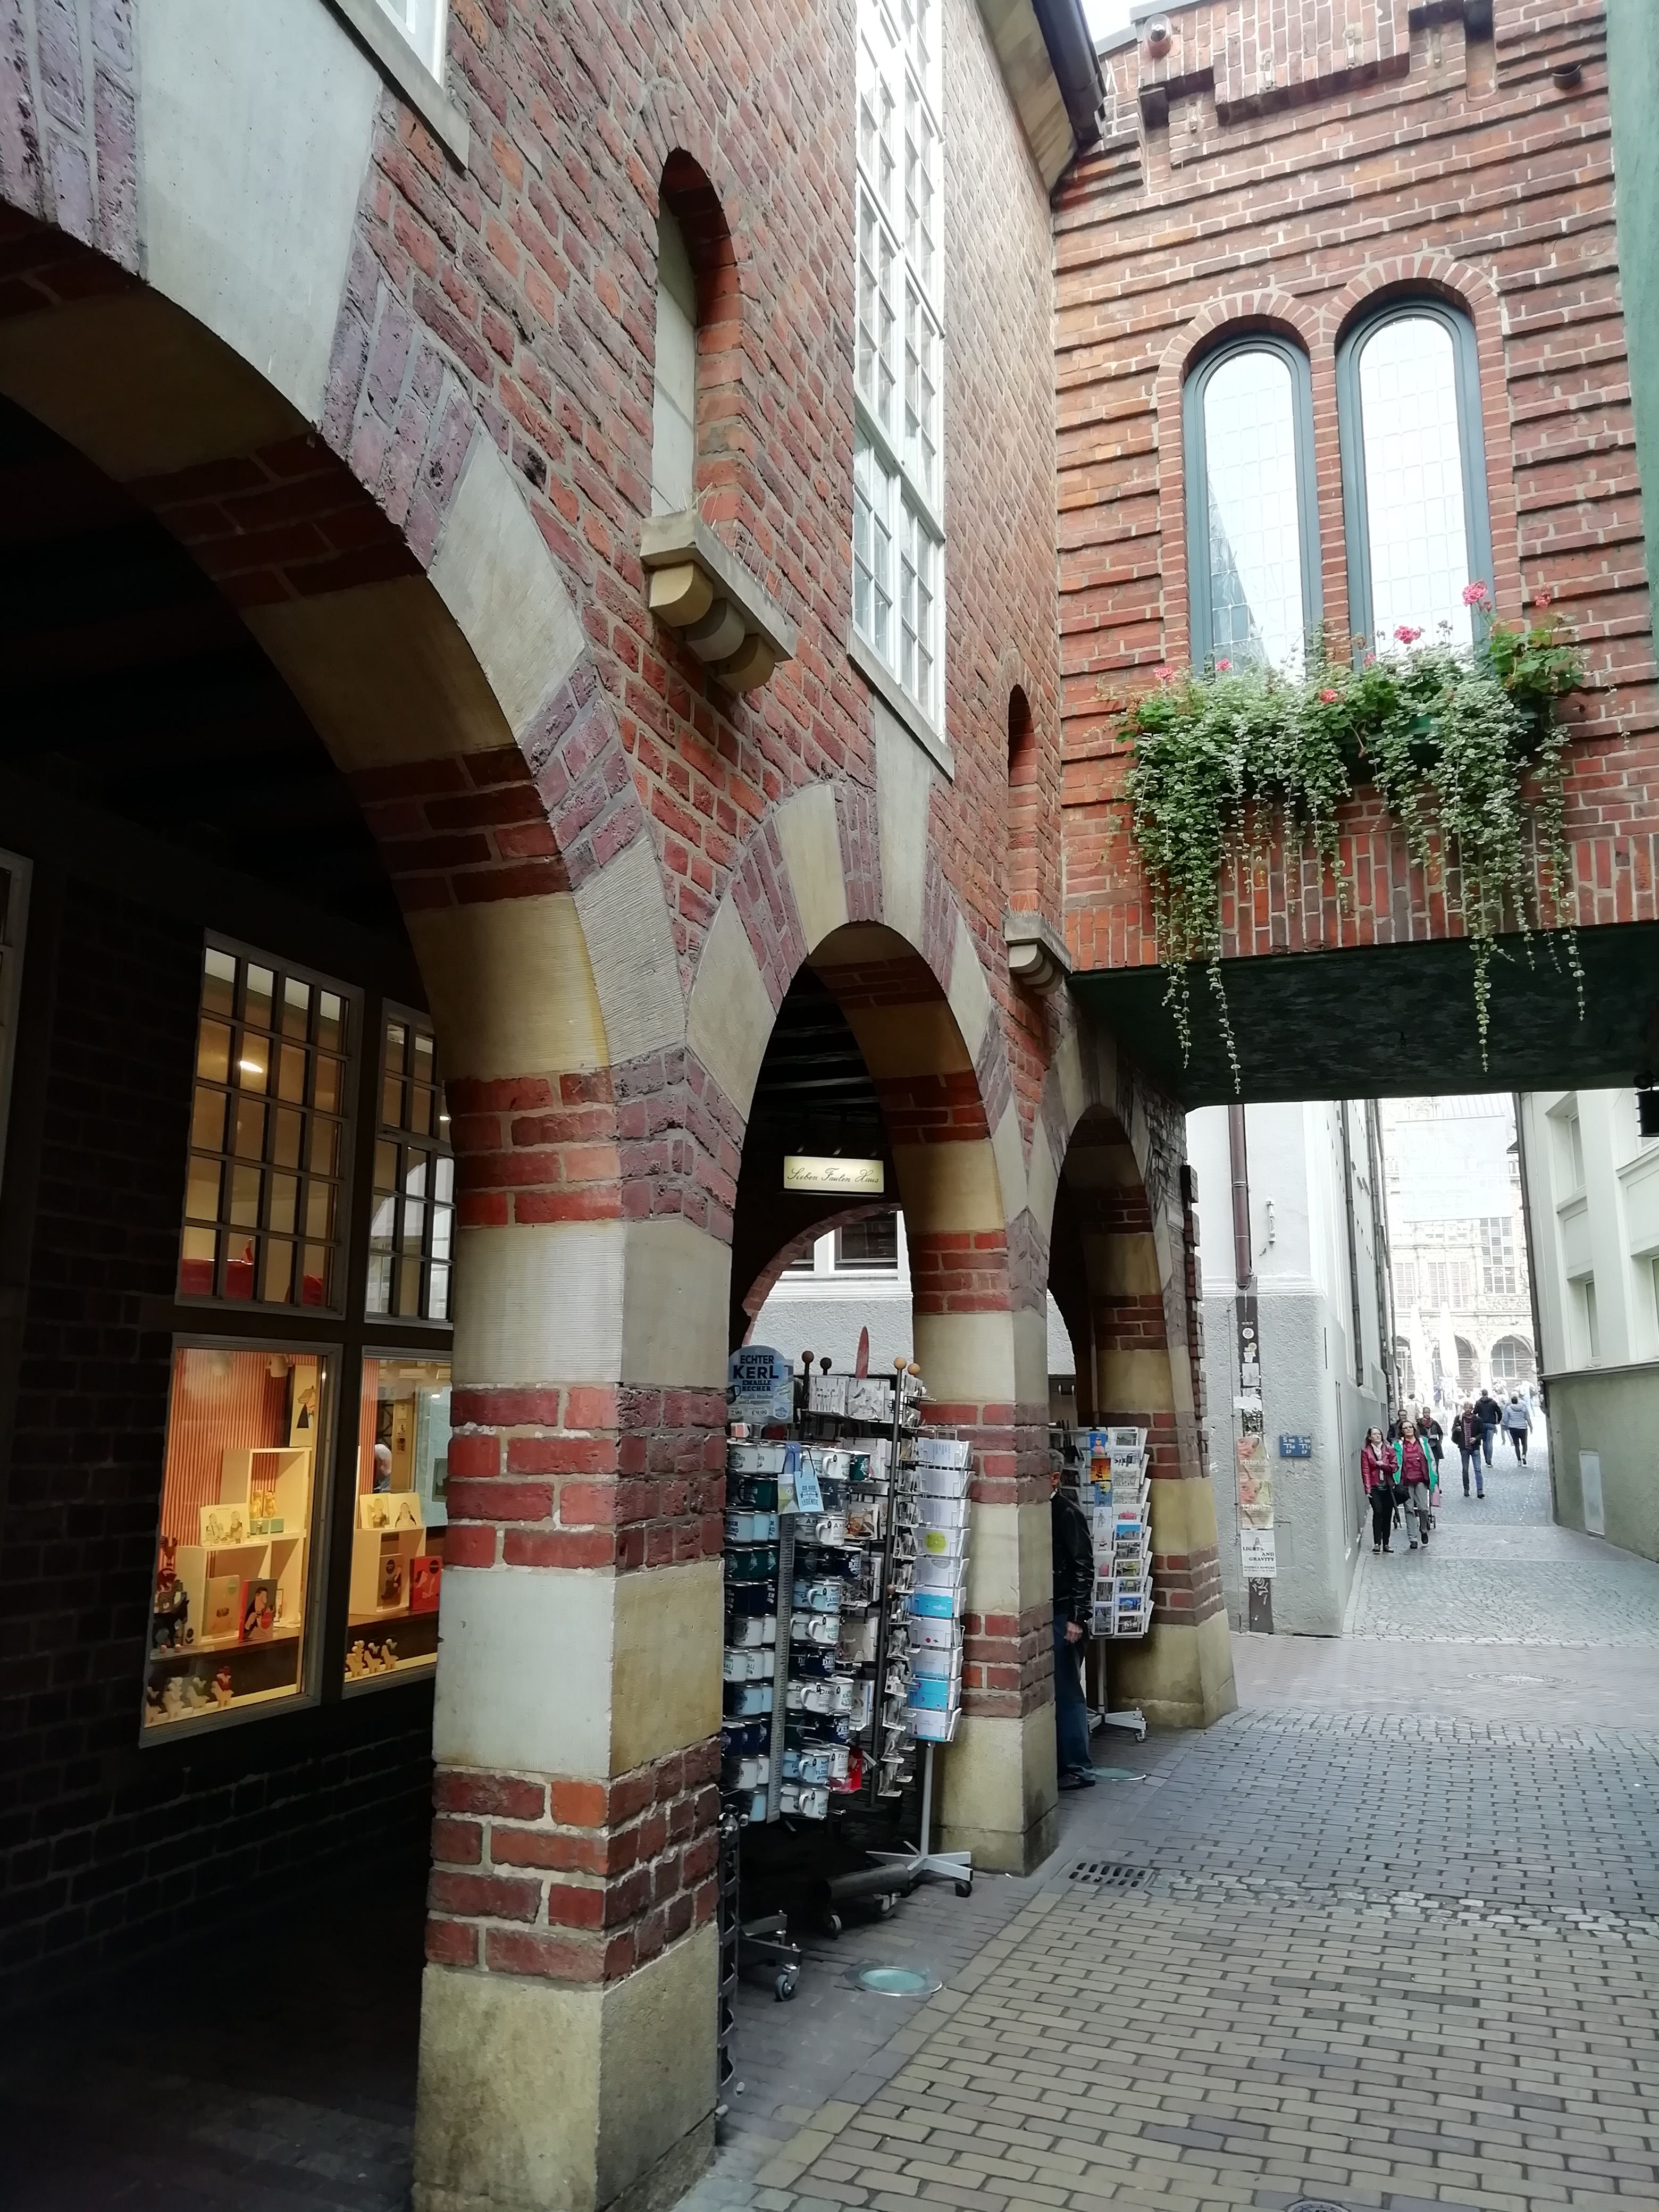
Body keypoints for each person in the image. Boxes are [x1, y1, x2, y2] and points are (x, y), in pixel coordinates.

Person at [1050, 1464, 1095, 1790]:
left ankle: (1079, 1768)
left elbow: (1083, 1564)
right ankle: (1064, 1763)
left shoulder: (1066, 1512)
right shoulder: (1044, 1510)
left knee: (1067, 1692)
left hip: (1064, 1612)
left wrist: (1077, 1617)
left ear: (1054, 1478)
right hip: (1053, 1609)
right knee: (1058, 1690)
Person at [1395, 1419, 1434, 1549]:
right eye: (1405, 1428)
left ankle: (1423, 1529)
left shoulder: (1422, 1443)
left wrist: (1433, 1477)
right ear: (1402, 1431)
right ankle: (1413, 1538)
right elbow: (1396, 1462)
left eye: (1410, 1427)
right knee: (1409, 1509)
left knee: (1423, 1508)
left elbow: (1431, 1460)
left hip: (1421, 1479)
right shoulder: (1399, 1445)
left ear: (1414, 1429)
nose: (1408, 1430)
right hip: (1406, 1481)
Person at [1361, 1427, 1394, 1554]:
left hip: (1387, 1486)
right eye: (1375, 1434)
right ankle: (1377, 1543)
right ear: (1370, 1437)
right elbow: (1365, 1470)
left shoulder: (1389, 1449)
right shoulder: (1366, 1452)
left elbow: (1394, 1467)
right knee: (1378, 1512)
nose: (1378, 1436)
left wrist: (1383, 1465)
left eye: (1379, 1434)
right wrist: (1368, 1489)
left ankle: (1386, 1543)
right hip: (1375, 1487)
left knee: (1387, 1515)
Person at [1452, 1402, 1484, 1497]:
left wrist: (1476, 1439)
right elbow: (1453, 1431)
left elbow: (1482, 1433)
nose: (1468, 1410)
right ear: (1464, 1408)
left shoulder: (1477, 1420)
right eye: (1466, 1408)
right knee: (1465, 1469)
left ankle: (1480, 1490)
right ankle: (1466, 1489)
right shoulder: (1459, 1419)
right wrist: (1457, 1430)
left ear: (1472, 1409)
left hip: (1475, 1448)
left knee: (1478, 1469)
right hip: (1464, 1447)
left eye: (1470, 1408)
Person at [1474, 1386, 1502, 1469]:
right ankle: (1489, 1460)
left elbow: (1475, 1412)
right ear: (1488, 1394)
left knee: (1484, 1442)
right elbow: (1499, 1412)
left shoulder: (1479, 1403)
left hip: (1482, 1424)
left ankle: (1486, 1458)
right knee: (1489, 1442)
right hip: (1491, 1424)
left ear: (1482, 1394)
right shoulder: (1493, 1402)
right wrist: (1498, 1421)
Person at [1502, 1392, 1531, 1465]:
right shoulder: (1523, 1408)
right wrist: (1531, 1427)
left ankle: (1519, 1461)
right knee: (1524, 1443)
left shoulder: (1509, 1408)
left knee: (1517, 1445)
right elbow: (1527, 1418)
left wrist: (1508, 1425)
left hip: (1513, 1428)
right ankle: (1524, 1455)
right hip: (1523, 1427)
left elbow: (1505, 1419)